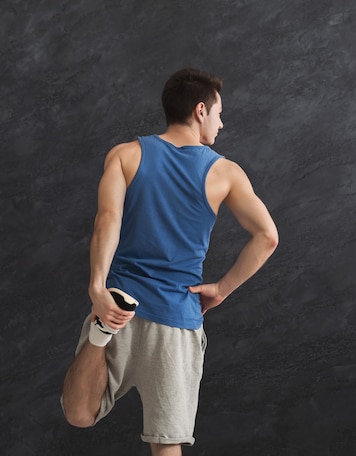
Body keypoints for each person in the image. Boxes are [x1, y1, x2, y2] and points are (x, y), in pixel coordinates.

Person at [61, 68, 278, 456]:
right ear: (200, 111)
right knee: (166, 447)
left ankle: (99, 335)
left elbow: (107, 220)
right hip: (177, 321)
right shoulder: (224, 173)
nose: (221, 122)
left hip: (118, 307)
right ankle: (101, 331)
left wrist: (97, 288)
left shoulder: (125, 155)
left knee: (79, 412)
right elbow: (268, 236)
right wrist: (221, 290)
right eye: (218, 113)